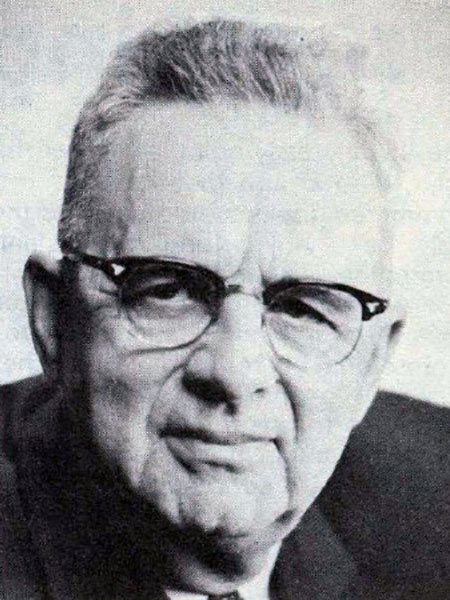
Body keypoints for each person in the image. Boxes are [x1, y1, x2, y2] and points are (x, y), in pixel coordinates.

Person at [1, 19, 449, 600]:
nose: (234, 372)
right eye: (167, 290)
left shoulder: (435, 508)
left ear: (371, 364)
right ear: (54, 321)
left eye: (303, 310)